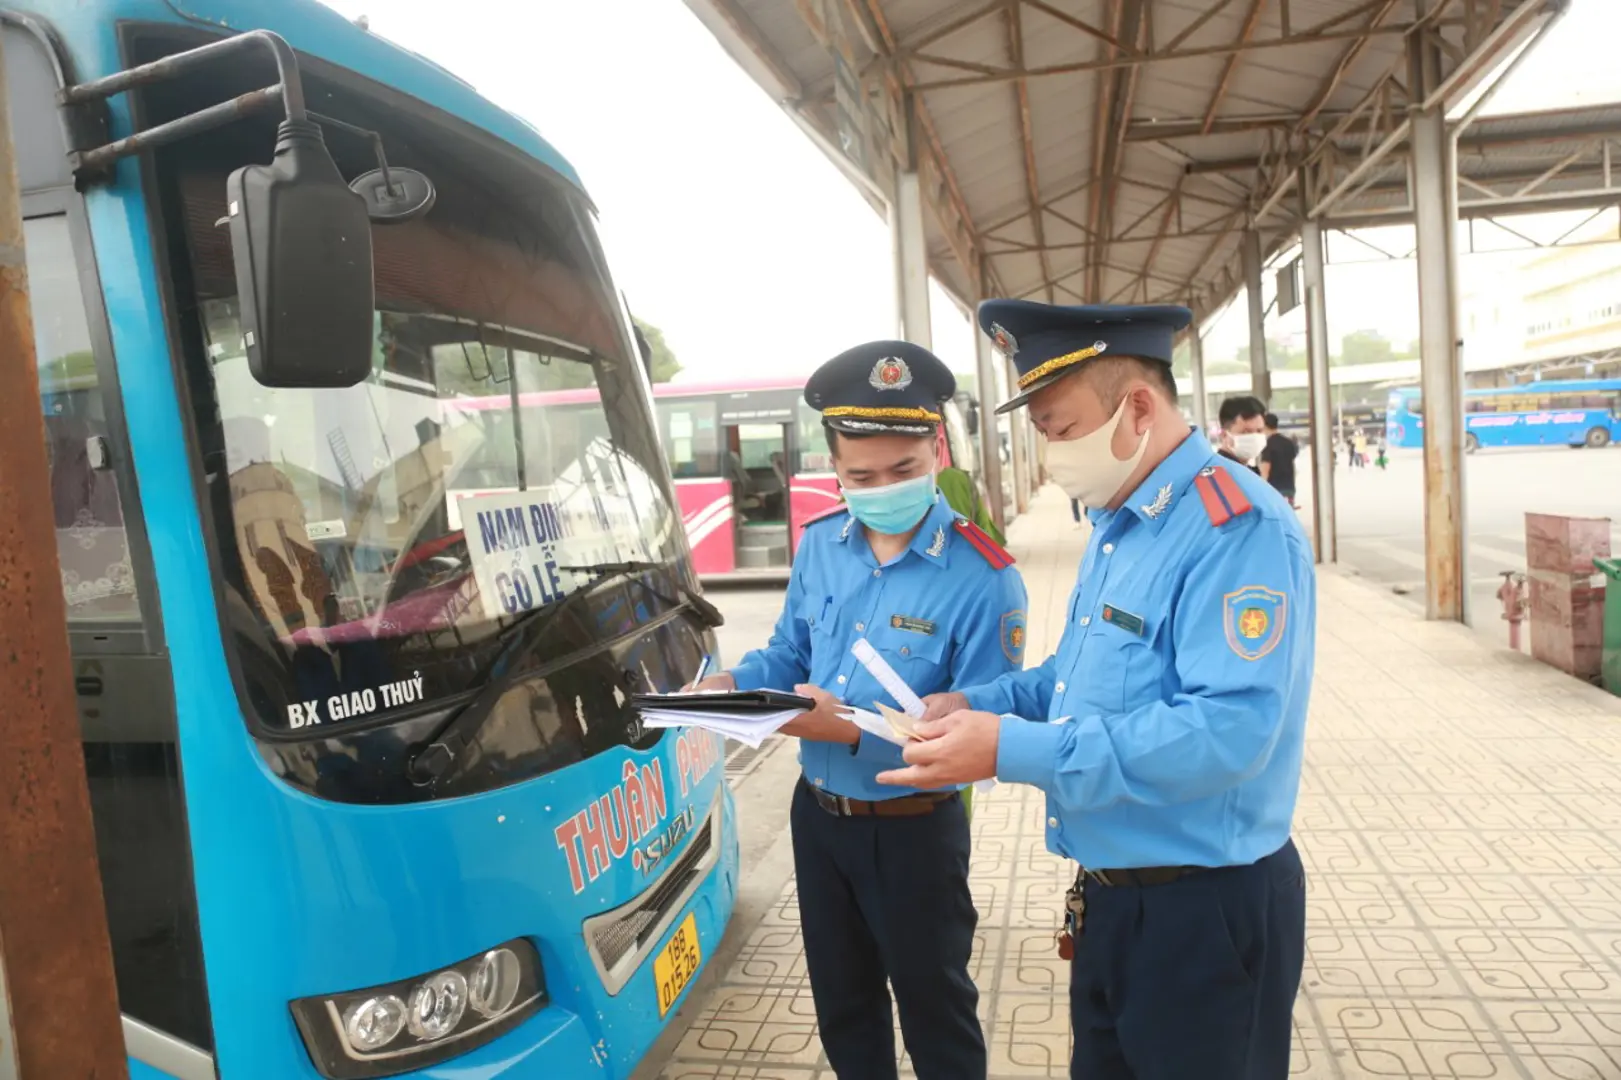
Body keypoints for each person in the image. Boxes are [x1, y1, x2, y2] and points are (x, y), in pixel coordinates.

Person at [877, 300, 1315, 1080]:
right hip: (1115, 900)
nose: (1052, 455)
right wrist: (981, 705)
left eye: (1059, 428)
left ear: (1137, 407)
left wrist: (1008, 749)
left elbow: (1228, 731)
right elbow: (1072, 681)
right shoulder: (1122, 523)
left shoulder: (1235, 526)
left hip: (1204, 909)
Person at [690, 340, 1027, 1080]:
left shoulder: (983, 577)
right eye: (860, 475)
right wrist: (734, 687)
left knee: (935, 1014)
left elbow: (982, 727)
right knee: (842, 1007)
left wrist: (838, 725)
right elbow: (786, 652)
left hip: (913, 837)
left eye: (902, 471)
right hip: (818, 822)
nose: (883, 489)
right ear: (834, 468)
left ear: (934, 448)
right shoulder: (820, 548)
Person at [1217, 395, 1266, 472]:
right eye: (1246, 432)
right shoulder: (1215, 475)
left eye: (1259, 431)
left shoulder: (1250, 472)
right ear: (1224, 435)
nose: (1255, 437)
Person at [1259, 412, 1299, 508]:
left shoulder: (1267, 445)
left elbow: (1265, 470)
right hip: (1289, 487)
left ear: (1264, 426)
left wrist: (1261, 490)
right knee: (1287, 513)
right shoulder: (1288, 443)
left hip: (1274, 489)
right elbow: (1292, 465)